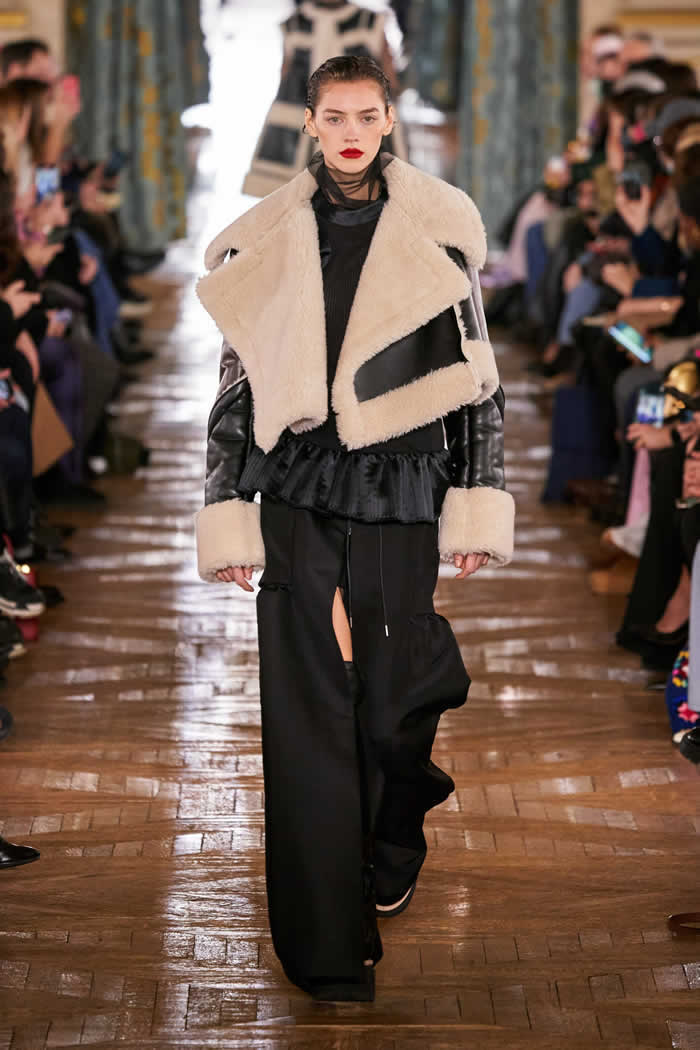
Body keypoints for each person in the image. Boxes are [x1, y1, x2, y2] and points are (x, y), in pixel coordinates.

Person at [195, 55, 514, 1002]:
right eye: (333, 116)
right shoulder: (269, 238)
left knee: (393, 692)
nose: (350, 133)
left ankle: (396, 821)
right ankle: (326, 940)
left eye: (366, 116)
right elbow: (235, 387)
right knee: (308, 707)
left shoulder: (438, 230)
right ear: (309, 122)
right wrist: (227, 510)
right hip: (297, 477)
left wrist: (477, 498)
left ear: (386, 122)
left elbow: (478, 385)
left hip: (402, 477)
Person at [242, 1, 406, 198]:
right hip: (302, 124)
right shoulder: (295, 24)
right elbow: (391, 79)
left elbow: (389, 75)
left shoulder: (370, 22)